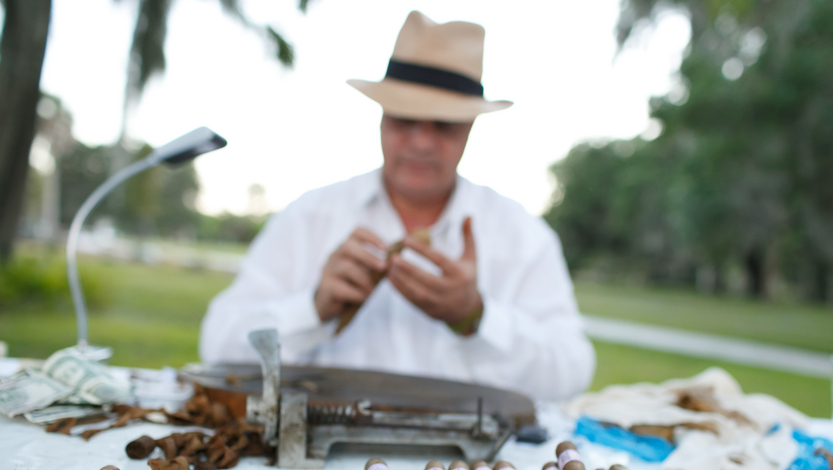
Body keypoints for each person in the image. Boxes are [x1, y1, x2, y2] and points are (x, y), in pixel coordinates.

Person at [199, 11, 595, 403]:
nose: (421, 142)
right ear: (382, 117)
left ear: (470, 128)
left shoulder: (522, 236)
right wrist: (313, 308)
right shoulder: (310, 216)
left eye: (443, 125)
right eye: (405, 119)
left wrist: (476, 317)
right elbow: (217, 345)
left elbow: (571, 372)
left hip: (471, 446)